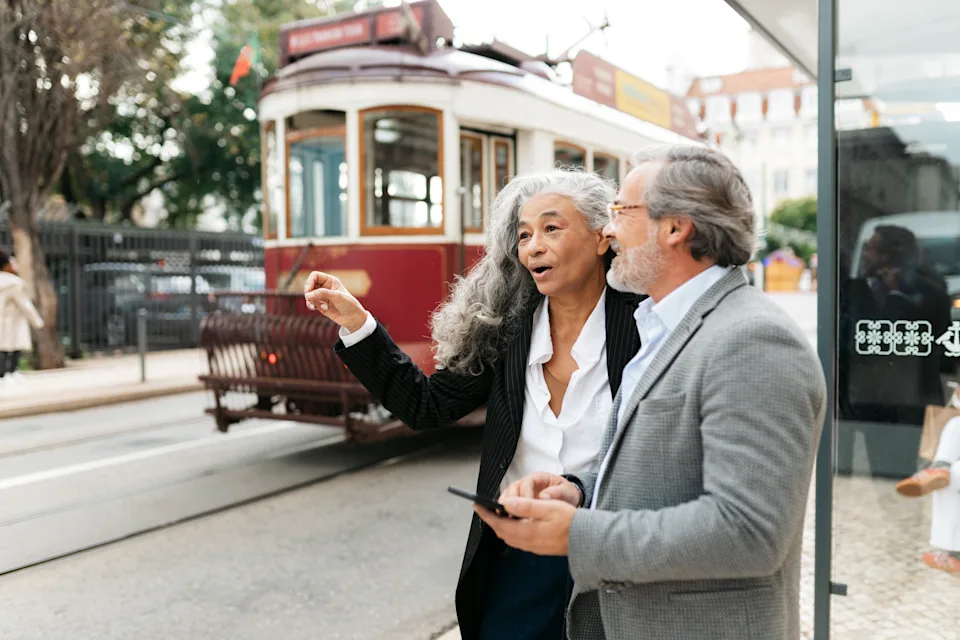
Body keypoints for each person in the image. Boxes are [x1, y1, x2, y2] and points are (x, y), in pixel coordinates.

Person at [477, 145, 827, 640]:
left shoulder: (753, 340)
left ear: (674, 228)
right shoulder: (662, 326)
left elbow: (750, 531)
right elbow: (654, 467)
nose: (610, 228)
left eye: (621, 210)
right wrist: (579, 489)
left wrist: (577, 535)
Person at [303, 169, 643, 640]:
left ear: (602, 237)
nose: (534, 246)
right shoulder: (508, 331)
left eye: (551, 228)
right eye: (523, 235)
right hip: (520, 560)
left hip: (613, 557)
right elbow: (425, 405)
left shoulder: (647, 324)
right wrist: (357, 323)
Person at [0, 250, 44, 386]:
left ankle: (6, 373)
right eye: (12, 262)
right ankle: (10, 372)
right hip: (12, 321)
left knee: (4, 348)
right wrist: (37, 321)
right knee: (13, 348)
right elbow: (25, 304)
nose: (15, 264)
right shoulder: (14, 282)